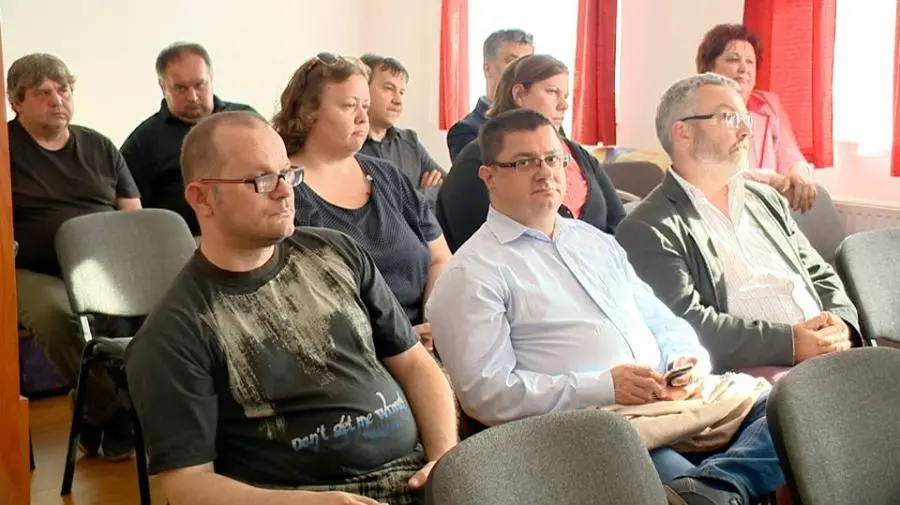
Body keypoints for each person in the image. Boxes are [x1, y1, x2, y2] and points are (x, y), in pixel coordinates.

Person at [426, 108, 785, 505]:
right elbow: (488, 396)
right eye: (524, 162)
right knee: (675, 475)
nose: (544, 173)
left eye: (553, 159)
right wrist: (606, 385)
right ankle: (717, 486)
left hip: (667, 403)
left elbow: (660, 320)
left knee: (789, 411)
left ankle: (720, 485)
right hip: (589, 431)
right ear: (489, 177)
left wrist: (685, 359)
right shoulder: (473, 273)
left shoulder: (595, 242)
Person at [125, 111, 458, 505]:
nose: (285, 192)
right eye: (262, 180)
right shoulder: (175, 332)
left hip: (420, 480)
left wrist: (444, 462)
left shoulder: (338, 252)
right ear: (202, 198)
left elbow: (416, 365)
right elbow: (187, 486)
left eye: (287, 173)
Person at [615, 73, 861, 375]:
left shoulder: (765, 200)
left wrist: (842, 324)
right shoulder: (648, 227)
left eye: (745, 119)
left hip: (831, 357)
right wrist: (791, 344)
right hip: (756, 379)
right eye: (729, 118)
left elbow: (818, 272)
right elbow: (686, 323)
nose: (745, 131)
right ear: (683, 132)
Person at [10, 53, 142, 460]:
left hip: (104, 268)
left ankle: (96, 410)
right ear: (16, 102)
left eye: (64, 89)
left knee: (164, 307)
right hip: (34, 270)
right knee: (56, 317)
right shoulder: (3, 149)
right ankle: (113, 411)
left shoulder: (99, 146)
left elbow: (133, 216)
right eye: (42, 93)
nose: (57, 99)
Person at [272, 53, 452, 349]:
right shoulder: (283, 191)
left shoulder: (389, 176)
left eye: (365, 106)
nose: (362, 118)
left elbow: (440, 258)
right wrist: (399, 341)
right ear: (309, 112)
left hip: (425, 341)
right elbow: (296, 308)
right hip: (350, 354)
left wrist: (431, 324)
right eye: (349, 106)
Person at [437, 54, 625, 251]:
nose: (564, 105)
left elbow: (619, 222)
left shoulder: (577, 153)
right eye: (552, 92)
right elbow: (482, 243)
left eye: (566, 96)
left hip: (602, 264)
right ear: (519, 94)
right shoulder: (477, 161)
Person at [121, 42, 255, 235]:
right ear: (162, 87)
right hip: (185, 243)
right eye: (181, 88)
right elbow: (134, 218)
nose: (193, 97)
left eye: (200, 85)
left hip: (254, 231)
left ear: (211, 78)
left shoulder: (247, 120)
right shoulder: (142, 143)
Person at [696, 23, 818, 212]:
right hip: (718, 212)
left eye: (750, 62)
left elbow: (792, 157)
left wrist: (798, 174)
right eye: (733, 59)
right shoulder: (697, 110)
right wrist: (770, 180)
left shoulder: (770, 106)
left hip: (767, 210)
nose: (743, 68)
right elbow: (715, 176)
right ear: (710, 68)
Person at [358, 54, 445, 210]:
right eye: (389, 89)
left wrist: (417, 197)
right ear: (363, 89)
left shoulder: (410, 141)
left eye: (402, 92)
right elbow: (382, 211)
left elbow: (447, 185)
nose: (398, 100)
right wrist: (425, 194)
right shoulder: (349, 148)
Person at [446, 28, 534, 162]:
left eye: (527, 63)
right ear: (487, 69)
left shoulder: (542, 122)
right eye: (512, 61)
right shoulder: (466, 131)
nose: (521, 70)